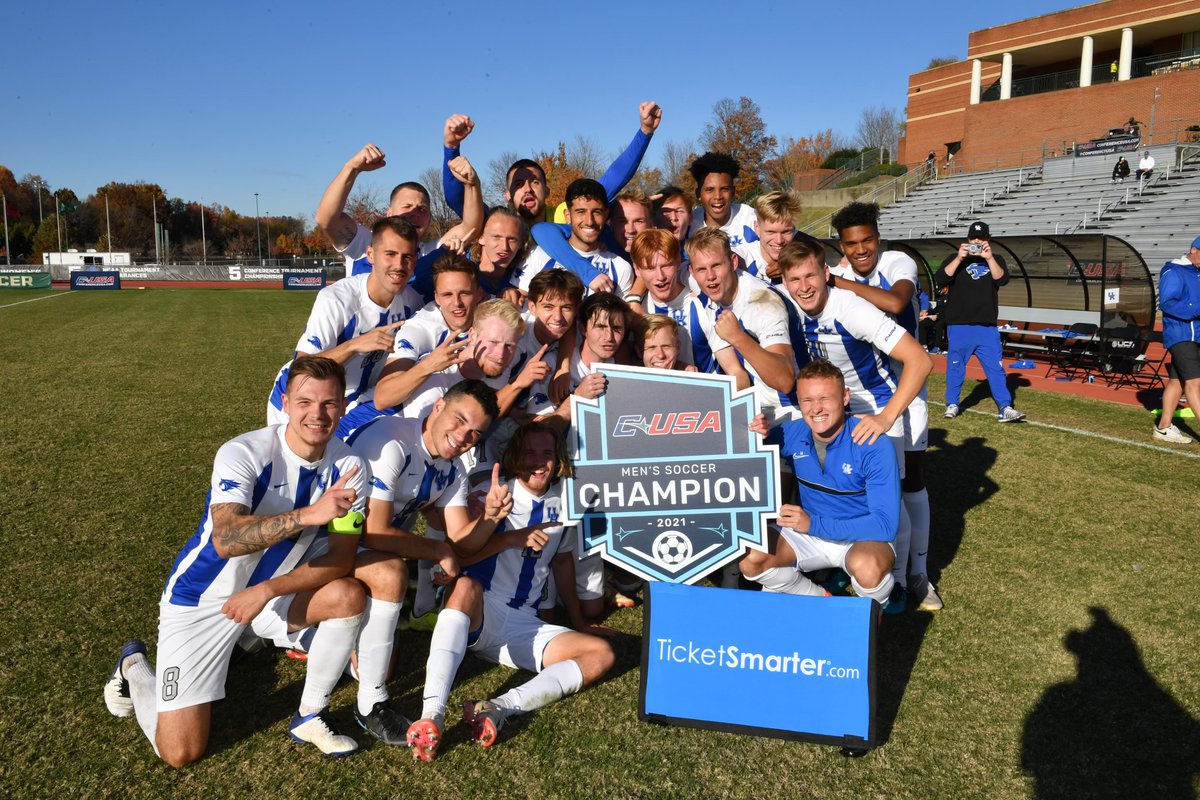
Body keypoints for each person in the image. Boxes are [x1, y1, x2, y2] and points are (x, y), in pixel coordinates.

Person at [104, 357, 373, 764]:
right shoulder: (244, 451)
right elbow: (226, 538)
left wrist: (266, 591)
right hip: (201, 601)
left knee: (348, 595)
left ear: (342, 406)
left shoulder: (351, 467)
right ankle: (135, 667)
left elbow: (340, 558)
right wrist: (310, 514)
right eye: (304, 402)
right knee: (180, 752)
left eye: (330, 404)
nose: (316, 414)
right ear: (285, 403)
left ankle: (309, 715)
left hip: (269, 597)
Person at [408, 421, 614, 759]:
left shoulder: (565, 502)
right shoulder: (493, 495)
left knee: (601, 654)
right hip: (480, 609)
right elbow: (460, 554)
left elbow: (562, 564)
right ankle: (432, 716)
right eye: (530, 453)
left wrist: (578, 622)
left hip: (523, 624)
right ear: (516, 456)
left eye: (546, 454)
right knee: (465, 585)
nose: (538, 461)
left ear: (557, 458)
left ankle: (498, 707)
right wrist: (509, 535)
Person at [778, 238, 932, 611]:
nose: (804, 286)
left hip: (874, 408)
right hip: (827, 403)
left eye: (811, 276)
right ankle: (838, 562)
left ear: (826, 273)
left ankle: (908, 577)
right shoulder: (786, 304)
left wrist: (886, 416)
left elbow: (920, 361)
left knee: (893, 500)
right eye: (794, 279)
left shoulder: (852, 309)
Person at [829, 201, 940, 611]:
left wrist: (838, 284)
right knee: (872, 486)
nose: (861, 250)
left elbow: (896, 303)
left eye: (867, 240)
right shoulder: (837, 273)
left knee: (912, 482)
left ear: (879, 236)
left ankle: (919, 575)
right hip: (865, 392)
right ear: (841, 245)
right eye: (851, 243)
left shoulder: (897, 261)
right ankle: (880, 569)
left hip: (907, 387)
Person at [739, 360, 899, 607]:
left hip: (861, 535)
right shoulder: (792, 432)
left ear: (845, 397)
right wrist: (752, 433)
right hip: (810, 532)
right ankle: (819, 600)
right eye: (807, 400)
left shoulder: (873, 443)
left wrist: (814, 524)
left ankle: (875, 613)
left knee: (869, 571)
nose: (816, 409)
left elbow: (884, 525)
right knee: (750, 559)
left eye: (825, 398)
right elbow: (741, 450)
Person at [266, 217, 424, 429]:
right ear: (371, 255)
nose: (399, 265)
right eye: (390, 254)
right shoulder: (337, 299)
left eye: (407, 257)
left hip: (353, 402)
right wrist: (354, 345)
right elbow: (301, 369)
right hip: (301, 399)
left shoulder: (412, 301)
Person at [315, 144, 484, 294]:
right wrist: (351, 168)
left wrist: (473, 185)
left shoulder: (432, 252)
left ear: (430, 219)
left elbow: (471, 228)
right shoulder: (366, 243)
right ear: (389, 213)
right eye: (406, 206)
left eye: (422, 209)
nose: (414, 213)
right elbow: (326, 219)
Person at [688, 227, 797, 424]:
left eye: (716, 266)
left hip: (791, 413)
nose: (710, 276)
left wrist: (738, 337)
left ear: (733, 262)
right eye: (701, 269)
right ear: (692, 272)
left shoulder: (763, 302)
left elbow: (785, 381)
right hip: (757, 415)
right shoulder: (713, 297)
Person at [937, 221, 1027, 422]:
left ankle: (1005, 407)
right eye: (973, 238)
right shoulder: (955, 258)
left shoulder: (997, 259)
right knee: (955, 366)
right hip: (959, 324)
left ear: (988, 239)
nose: (976, 241)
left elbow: (1001, 280)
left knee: (995, 368)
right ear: (967, 239)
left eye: (981, 238)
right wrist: (960, 257)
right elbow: (941, 278)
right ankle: (952, 403)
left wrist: (989, 258)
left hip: (986, 327)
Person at [631, 228, 747, 381]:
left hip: (704, 399)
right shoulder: (635, 310)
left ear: (679, 263)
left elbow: (736, 374)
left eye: (666, 266)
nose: (660, 277)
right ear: (637, 270)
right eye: (650, 268)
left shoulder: (702, 303)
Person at [513, 178, 634, 298]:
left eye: (597, 212)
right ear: (568, 216)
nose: (589, 221)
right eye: (581, 212)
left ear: (606, 215)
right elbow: (515, 304)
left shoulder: (621, 267)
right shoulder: (537, 256)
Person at [1154, 236, 1200, 443]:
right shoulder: (1175, 270)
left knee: (1177, 381)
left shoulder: (1196, 273)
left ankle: (1163, 427)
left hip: (1194, 335)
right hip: (1181, 335)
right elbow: (1167, 302)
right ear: (1194, 250)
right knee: (1194, 383)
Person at [687, 151, 759, 247]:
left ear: (733, 192)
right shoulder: (688, 224)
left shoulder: (750, 218)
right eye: (709, 190)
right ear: (698, 194)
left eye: (724, 189)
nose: (717, 196)